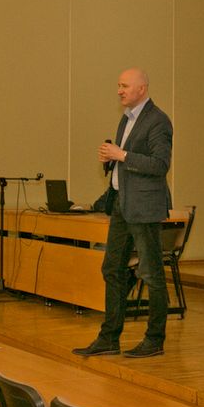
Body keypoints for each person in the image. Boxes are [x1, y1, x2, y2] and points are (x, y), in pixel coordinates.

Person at [74, 67, 173, 359]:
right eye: (118, 85)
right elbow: (127, 163)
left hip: (144, 208)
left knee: (151, 274)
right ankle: (109, 338)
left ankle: (154, 339)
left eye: (125, 86)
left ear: (142, 89)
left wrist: (122, 155)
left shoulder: (158, 121)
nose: (119, 91)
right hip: (121, 205)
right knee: (112, 269)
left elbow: (160, 165)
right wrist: (111, 160)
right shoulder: (126, 119)